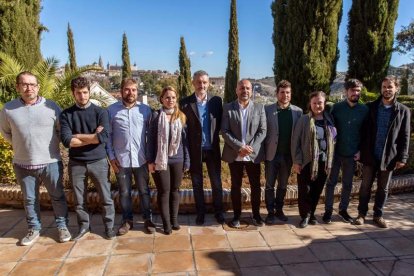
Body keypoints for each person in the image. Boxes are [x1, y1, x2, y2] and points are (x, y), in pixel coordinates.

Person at [0, 71, 70, 245]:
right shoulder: (8, 109)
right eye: (24, 84)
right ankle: (34, 228)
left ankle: (62, 227)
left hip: (51, 161)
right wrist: (20, 145)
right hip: (22, 163)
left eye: (32, 84)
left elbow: (61, 131)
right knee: (30, 199)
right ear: (18, 87)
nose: (28, 88)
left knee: (57, 196)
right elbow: (6, 133)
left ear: (38, 87)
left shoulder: (52, 106)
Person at [60, 77, 115, 240]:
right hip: (76, 163)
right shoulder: (66, 114)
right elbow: (67, 141)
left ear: (89, 92)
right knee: (79, 200)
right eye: (78, 93)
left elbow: (103, 137)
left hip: (98, 161)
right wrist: (92, 136)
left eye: (85, 92)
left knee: (106, 197)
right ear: (73, 94)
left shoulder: (101, 112)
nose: (82, 96)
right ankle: (84, 227)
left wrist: (79, 136)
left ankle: (109, 227)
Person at [355, 75, 411, 228]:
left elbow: (405, 136)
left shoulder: (403, 111)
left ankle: (378, 215)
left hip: (389, 156)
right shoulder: (370, 107)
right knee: (365, 186)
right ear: (381, 88)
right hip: (370, 155)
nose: (387, 89)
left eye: (390, 87)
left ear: (396, 88)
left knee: (383, 188)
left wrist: (403, 157)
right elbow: (363, 132)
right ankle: (361, 214)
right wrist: (359, 150)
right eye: (384, 87)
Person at [107, 78, 155, 235]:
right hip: (121, 161)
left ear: (137, 91)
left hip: (141, 160)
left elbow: (152, 135)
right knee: (124, 193)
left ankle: (148, 219)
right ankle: (127, 221)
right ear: (121, 91)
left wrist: (151, 158)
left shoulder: (146, 110)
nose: (130, 93)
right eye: (127, 89)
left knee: (144, 191)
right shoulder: (111, 110)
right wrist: (112, 158)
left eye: (133, 90)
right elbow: (108, 136)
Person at [180, 70, 224, 225]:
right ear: (193, 83)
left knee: (216, 183)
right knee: (197, 183)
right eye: (199, 82)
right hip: (194, 151)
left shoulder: (217, 102)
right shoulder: (185, 103)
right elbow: (183, 130)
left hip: (212, 149)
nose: (202, 85)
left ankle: (219, 212)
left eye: (204, 82)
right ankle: (201, 213)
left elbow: (220, 124)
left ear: (209, 83)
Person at [221, 79, 267, 228]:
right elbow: (224, 131)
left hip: (253, 154)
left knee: (255, 186)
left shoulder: (260, 108)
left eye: (247, 88)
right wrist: (240, 147)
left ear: (251, 91)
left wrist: (250, 147)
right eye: (242, 88)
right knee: (235, 186)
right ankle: (236, 216)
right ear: (236, 90)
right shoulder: (228, 108)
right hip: (235, 153)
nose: (244, 91)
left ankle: (256, 215)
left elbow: (262, 130)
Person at [323, 79, 368, 224]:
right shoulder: (335, 108)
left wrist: (360, 150)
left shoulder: (364, 110)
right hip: (335, 153)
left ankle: (343, 210)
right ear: (346, 91)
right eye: (353, 90)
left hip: (352, 153)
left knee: (348, 184)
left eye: (358, 91)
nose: (355, 93)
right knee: (331, 183)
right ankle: (328, 211)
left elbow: (366, 133)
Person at [147, 86, 189, 235]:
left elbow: (185, 142)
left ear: (176, 99)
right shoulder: (155, 116)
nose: (170, 100)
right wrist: (150, 161)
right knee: (164, 191)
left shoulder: (181, 116)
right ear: (162, 99)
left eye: (173, 97)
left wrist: (187, 160)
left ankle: (174, 220)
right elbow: (150, 140)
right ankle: (166, 224)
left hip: (178, 159)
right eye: (167, 97)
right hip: (161, 160)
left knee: (175, 191)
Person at [291, 91, 336, 228]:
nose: (317, 105)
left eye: (320, 103)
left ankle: (312, 214)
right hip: (306, 162)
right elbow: (295, 141)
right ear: (310, 104)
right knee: (305, 190)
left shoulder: (329, 119)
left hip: (324, 162)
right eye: (314, 103)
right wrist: (297, 161)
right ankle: (304, 215)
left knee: (317, 190)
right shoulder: (304, 120)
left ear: (324, 103)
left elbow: (333, 138)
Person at [264, 80, 303, 224]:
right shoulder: (267, 109)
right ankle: (270, 212)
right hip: (271, 154)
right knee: (269, 185)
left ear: (291, 94)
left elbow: (299, 136)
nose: (285, 95)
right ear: (277, 94)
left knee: (282, 185)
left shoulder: (298, 112)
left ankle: (279, 210)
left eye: (288, 92)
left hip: (288, 156)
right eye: (282, 92)